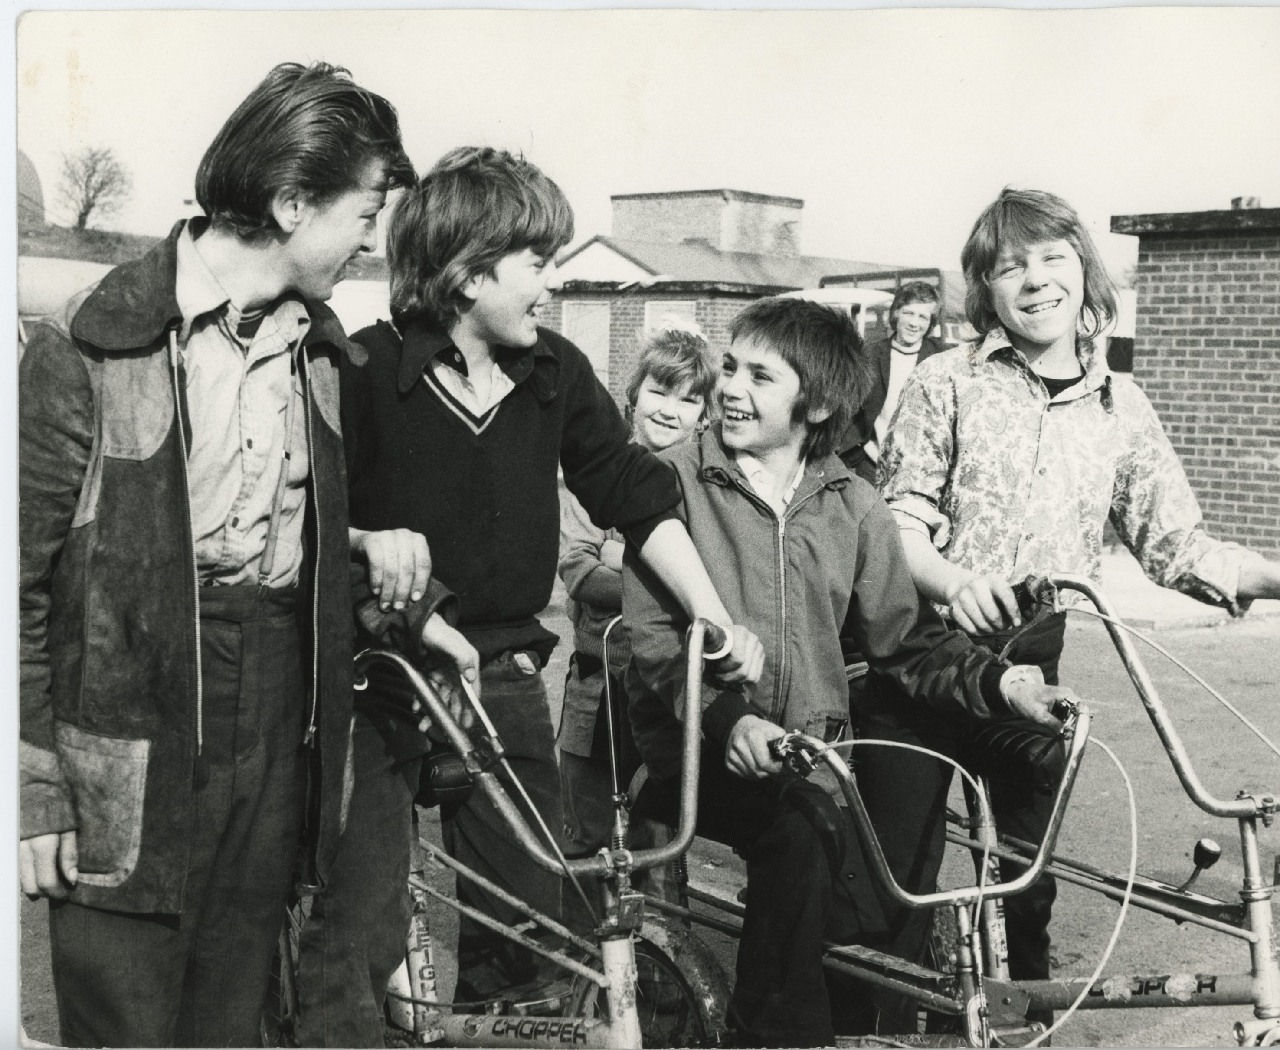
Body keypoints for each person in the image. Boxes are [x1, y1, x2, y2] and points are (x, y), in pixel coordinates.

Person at [296, 146, 763, 1047]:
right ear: (470, 275)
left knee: (529, 920)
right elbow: (320, 523)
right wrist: (409, 606)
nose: (551, 284)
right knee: (356, 923)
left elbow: (630, 487)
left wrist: (708, 611)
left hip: (500, 671)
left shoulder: (552, 371)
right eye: (537, 264)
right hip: (377, 676)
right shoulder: (362, 372)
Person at [17, 62, 425, 1048]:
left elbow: (283, 535)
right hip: (127, 721)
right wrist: (32, 789)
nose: (374, 239)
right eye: (364, 212)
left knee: (229, 1013)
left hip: (275, 711)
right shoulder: (95, 343)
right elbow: (18, 581)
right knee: (127, 1013)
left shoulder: (321, 354)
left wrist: (372, 555)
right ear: (291, 202)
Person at [865, 186, 1280, 1031]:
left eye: (1052, 258)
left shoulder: (1121, 408)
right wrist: (951, 580)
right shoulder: (947, 382)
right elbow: (895, 522)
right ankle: (881, 1022)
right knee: (897, 866)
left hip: (1031, 655)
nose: (1035, 280)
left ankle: (1024, 1023)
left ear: (1084, 272)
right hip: (920, 650)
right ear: (985, 288)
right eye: (1010, 266)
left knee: (1028, 871)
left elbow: (1178, 548)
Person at [623, 295, 1076, 1049]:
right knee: (802, 836)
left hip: (814, 758)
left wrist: (1006, 685)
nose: (730, 388)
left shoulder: (854, 504)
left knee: (883, 891)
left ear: (820, 401)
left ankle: (862, 1026)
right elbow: (655, 645)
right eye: (729, 368)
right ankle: (768, 1038)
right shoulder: (667, 483)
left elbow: (904, 643)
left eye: (760, 376)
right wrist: (727, 719)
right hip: (699, 751)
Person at [557, 326, 718, 855]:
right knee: (585, 827)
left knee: (658, 831)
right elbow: (578, 572)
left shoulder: (701, 490)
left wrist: (619, 556)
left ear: (705, 414)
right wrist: (664, 575)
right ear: (632, 396)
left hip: (663, 685)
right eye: (659, 391)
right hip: (596, 682)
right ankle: (582, 936)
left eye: (689, 399)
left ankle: (660, 930)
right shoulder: (592, 478)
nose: (671, 409)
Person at [838, 280, 948, 483]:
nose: (914, 323)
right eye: (908, 313)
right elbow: (849, 408)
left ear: (930, 322)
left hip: (923, 470)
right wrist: (862, 452)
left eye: (923, 316)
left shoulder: (942, 357)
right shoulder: (869, 354)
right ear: (896, 313)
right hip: (873, 464)